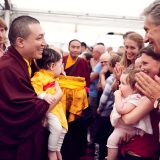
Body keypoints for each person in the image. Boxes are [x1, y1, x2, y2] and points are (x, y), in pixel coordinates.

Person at [0, 16, 62, 160]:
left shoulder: (26, 62)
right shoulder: (7, 68)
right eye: (39, 38)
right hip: (13, 147)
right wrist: (58, 94)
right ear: (20, 42)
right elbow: (27, 110)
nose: (44, 43)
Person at [120, 46, 160, 159]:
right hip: (137, 146)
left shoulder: (154, 88)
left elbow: (128, 119)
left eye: (145, 63)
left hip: (143, 150)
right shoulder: (149, 83)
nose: (141, 68)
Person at [106, 67, 153, 160]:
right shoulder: (129, 97)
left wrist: (117, 95)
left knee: (111, 140)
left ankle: (111, 158)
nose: (119, 86)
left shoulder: (136, 98)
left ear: (135, 88)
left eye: (123, 83)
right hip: (123, 129)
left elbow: (122, 110)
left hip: (128, 129)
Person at [31, 48, 67, 160]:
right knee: (56, 128)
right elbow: (34, 89)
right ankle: (51, 151)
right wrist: (44, 96)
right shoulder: (39, 76)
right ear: (51, 66)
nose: (62, 67)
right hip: (50, 110)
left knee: (63, 130)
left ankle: (56, 150)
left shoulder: (54, 77)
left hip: (57, 109)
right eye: (60, 64)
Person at [61, 39, 90, 160]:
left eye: (78, 47)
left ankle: (74, 152)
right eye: (73, 47)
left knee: (75, 126)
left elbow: (86, 81)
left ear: (81, 49)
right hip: (62, 99)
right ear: (69, 48)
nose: (75, 49)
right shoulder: (62, 60)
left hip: (77, 101)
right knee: (63, 124)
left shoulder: (82, 62)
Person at [96, 53, 121, 160]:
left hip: (106, 112)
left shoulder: (111, 79)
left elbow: (104, 97)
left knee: (103, 138)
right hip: (113, 112)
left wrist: (100, 108)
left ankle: (102, 157)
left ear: (111, 65)